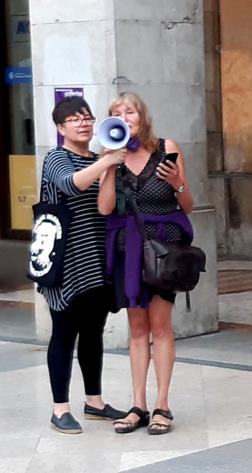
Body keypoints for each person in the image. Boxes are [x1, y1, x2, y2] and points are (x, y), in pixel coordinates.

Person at [98, 92, 194, 435]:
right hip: (127, 253)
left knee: (161, 327)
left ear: (142, 116)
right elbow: (106, 208)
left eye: (130, 111)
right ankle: (138, 404)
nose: (124, 117)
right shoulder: (112, 157)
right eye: (116, 113)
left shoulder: (166, 148)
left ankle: (163, 405)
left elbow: (188, 204)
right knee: (137, 329)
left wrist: (175, 182)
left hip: (161, 252)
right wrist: (109, 162)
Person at [39, 96, 127, 434]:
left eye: (87, 117)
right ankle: (59, 408)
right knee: (63, 333)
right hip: (64, 260)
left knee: (93, 332)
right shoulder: (56, 158)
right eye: (74, 119)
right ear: (61, 128)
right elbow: (71, 184)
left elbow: (106, 205)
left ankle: (95, 402)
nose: (84, 123)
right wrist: (106, 163)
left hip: (96, 258)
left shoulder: (100, 159)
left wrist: (109, 163)